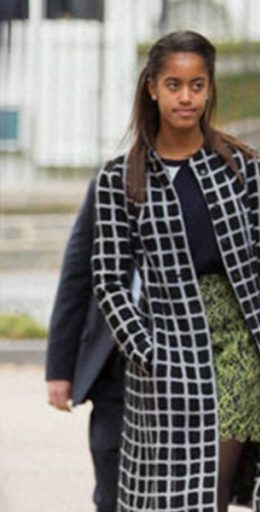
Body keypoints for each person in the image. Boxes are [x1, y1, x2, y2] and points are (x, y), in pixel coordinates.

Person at [91, 30, 260, 511]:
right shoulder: (120, 178)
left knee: (210, 493)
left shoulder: (243, 168)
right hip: (166, 350)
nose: (187, 97)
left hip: (240, 346)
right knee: (164, 496)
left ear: (209, 88)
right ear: (152, 87)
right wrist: (145, 350)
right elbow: (108, 278)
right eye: (175, 84)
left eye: (197, 85)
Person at [45, 178, 124, 512]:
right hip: (115, 364)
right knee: (112, 490)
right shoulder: (111, 183)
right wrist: (59, 369)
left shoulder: (220, 176)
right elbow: (76, 274)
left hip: (192, 362)